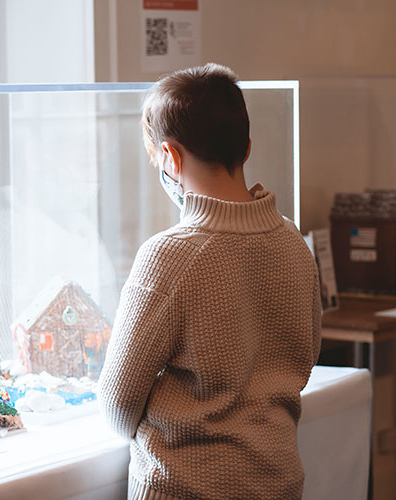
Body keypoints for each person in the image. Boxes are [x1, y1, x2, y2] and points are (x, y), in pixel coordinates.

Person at [98, 63, 322, 500]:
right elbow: (304, 360)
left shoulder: (168, 255)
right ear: (247, 147)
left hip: (185, 487)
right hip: (279, 482)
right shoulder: (294, 243)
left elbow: (117, 404)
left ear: (171, 157)